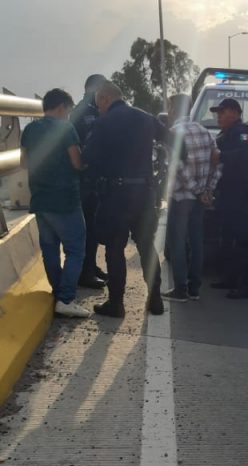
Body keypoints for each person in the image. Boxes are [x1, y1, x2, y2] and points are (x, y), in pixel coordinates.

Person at [83, 82, 165, 318]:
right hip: (144, 193)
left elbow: (88, 157)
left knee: (114, 249)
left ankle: (116, 303)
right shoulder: (146, 118)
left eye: (99, 103)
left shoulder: (103, 122)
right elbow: (172, 141)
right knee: (146, 246)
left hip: (116, 195)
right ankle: (155, 299)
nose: (99, 108)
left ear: (105, 98)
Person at [21, 88, 91, 318]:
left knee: (49, 249)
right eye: (68, 111)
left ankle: (58, 292)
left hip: (40, 198)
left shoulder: (30, 129)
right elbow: (77, 162)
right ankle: (66, 298)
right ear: (61, 107)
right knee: (75, 250)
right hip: (65, 199)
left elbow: (24, 163)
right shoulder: (65, 128)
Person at [161, 94, 220, 302]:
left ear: (173, 110)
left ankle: (180, 289)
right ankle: (194, 288)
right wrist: (208, 191)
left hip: (181, 197)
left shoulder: (173, 133)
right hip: (200, 199)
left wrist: (197, 190)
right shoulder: (205, 132)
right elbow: (217, 163)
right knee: (196, 241)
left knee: (177, 243)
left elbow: (179, 168)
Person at [209, 98, 248, 299]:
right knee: (227, 238)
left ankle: (247, 286)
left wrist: (221, 156)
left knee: (243, 240)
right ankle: (229, 278)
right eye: (218, 113)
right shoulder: (225, 135)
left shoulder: (243, 132)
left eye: (223, 112)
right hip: (226, 193)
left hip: (239, 193)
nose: (219, 116)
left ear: (235, 113)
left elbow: (245, 155)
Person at [70, 74, 109, 289]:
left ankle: (91, 267)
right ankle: (85, 273)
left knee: (93, 227)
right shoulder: (84, 113)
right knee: (88, 229)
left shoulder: (92, 110)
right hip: (86, 179)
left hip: (92, 178)